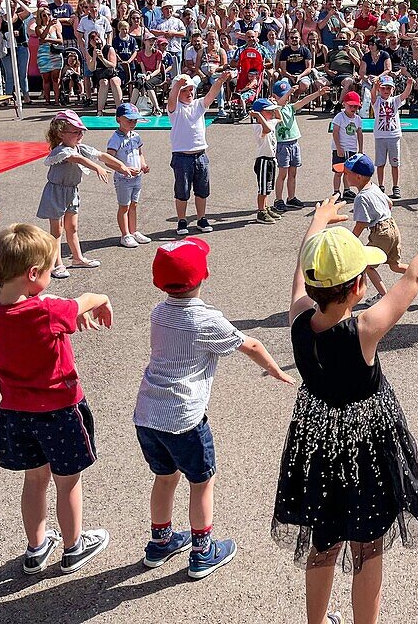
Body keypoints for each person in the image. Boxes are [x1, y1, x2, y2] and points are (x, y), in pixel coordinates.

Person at [273, 197, 418, 624]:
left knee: (323, 540)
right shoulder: (365, 330)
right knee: (368, 546)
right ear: (358, 287)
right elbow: (417, 275)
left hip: (317, 442)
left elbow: (302, 268)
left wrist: (316, 223)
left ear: (313, 287)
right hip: (366, 447)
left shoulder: (297, 316)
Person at [135, 236, 292, 578]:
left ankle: (160, 542)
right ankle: (203, 552)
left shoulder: (159, 313)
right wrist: (275, 369)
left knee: (164, 478)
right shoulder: (206, 320)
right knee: (201, 482)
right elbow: (249, 344)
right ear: (203, 275)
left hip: (148, 414)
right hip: (184, 419)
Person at [0, 223, 115, 575]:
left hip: (16, 411)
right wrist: (100, 299)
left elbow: (38, 304)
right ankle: (74, 547)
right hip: (59, 410)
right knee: (68, 481)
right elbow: (80, 303)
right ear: (32, 274)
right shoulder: (46, 311)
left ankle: (36, 546)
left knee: (34, 480)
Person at [37, 110, 136, 278]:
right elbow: (77, 159)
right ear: (61, 133)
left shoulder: (79, 148)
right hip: (56, 192)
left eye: (81, 131)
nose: (80, 134)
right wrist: (96, 168)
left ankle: (77, 258)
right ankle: (56, 263)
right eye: (75, 132)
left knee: (72, 227)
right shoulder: (61, 151)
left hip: (71, 191)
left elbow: (102, 155)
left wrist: (121, 166)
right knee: (57, 230)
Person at [338, 152, 418, 302]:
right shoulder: (374, 187)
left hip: (381, 232)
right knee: (395, 265)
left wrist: (350, 240)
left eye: (347, 173)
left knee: (367, 265)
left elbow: (361, 223)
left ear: (358, 177)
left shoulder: (360, 198)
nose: (345, 177)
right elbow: (390, 203)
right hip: (392, 227)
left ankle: (383, 296)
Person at [168, 69, 233, 237]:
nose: (189, 93)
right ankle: (182, 220)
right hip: (182, 157)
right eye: (185, 90)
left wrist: (220, 80)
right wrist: (177, 85)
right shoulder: (175, 109)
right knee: (182, 192)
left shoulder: (199, 105)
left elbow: (212, 93)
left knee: (202, 190)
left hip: (200, 155)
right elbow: (171, 98)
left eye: (191, 89)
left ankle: (201, 218)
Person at [271, 78, 329, 214]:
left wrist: (318, 93)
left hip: (294, 143)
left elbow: (304, 101)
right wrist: (289, 92)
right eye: (283, 94)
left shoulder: (290, 108)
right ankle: (278, 199)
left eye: (288, 95)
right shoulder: (275, 109)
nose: (287, 97)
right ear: (275, 96)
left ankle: (291, 197)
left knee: (293, 173)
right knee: (283, 174)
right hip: (282, 145)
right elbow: (279, 103)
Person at [106, 103, 151, 249]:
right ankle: (125, 234)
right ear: (119, 119)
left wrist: (143, 165)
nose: (132, 123)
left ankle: (133, 231)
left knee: (134, 205)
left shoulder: (136, 136)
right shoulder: (116, 139)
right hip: (123, 179)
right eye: (129, 120)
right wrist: (123, 168)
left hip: (136, 177)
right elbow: (108, 160)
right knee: (124, 206)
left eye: (135, 121)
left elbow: (139, 153)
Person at [372, 74, 413, 197]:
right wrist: (375, 86)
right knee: (380, 163)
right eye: (383, 88)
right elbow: (373, 96)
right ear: (380, 89)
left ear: (393, 89)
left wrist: (409, 85)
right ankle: (381, 186)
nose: (386, 91)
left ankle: (396, 186)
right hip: (380, 136)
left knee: (395, 163)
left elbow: (405, 95)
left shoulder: (394, 101)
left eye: (389, 88)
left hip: (393, 136)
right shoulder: (377, 101)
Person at [248, 98, 281, 224]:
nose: (272, 113)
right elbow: (266, 130)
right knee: (262, 188)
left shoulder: (269, 122)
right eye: (269, 111)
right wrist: (258, 116)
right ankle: (261, 211)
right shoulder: (258, 126)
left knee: (267, 187)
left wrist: (275, 106)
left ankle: (266, 208)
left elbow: (279, 118)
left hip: (271, 160)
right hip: (263, 161)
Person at [331, 92, 364, 200]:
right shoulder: (339, 117)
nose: (353, 108)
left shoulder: (358, 119)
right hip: (340, 148)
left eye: (355, 106)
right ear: (344, 104)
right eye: (351, 106)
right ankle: (336, 192)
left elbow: (359, 133)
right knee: (338, 171)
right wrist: (339, 147)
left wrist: (360, 149)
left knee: (348, 172)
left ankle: (347, 190)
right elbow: (335, 132)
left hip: (352, 149)